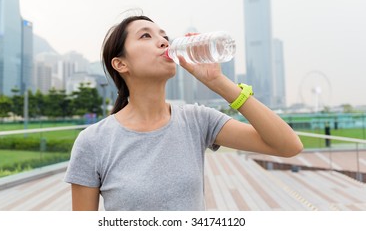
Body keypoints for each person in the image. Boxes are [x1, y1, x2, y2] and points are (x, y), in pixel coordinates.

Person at [64, 15, 303, 211]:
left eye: (165, 37)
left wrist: (218, 82)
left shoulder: (197, 121)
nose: (164, 42)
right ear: (120, 64)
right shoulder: (93, 142)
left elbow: (288, 145)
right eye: (146, 35)